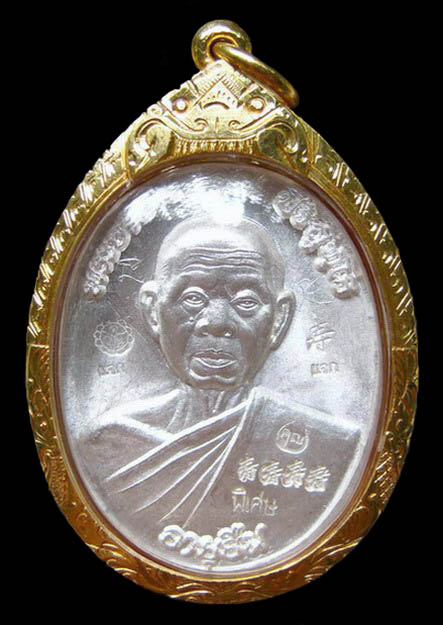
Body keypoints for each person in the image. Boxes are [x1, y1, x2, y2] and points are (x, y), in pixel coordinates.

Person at [81, 215, 359, 563]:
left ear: (279, 318)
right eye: (193, 298)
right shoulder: (109, 444)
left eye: (246, 302)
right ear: (153, 311)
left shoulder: (331, 447)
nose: (216, 323)